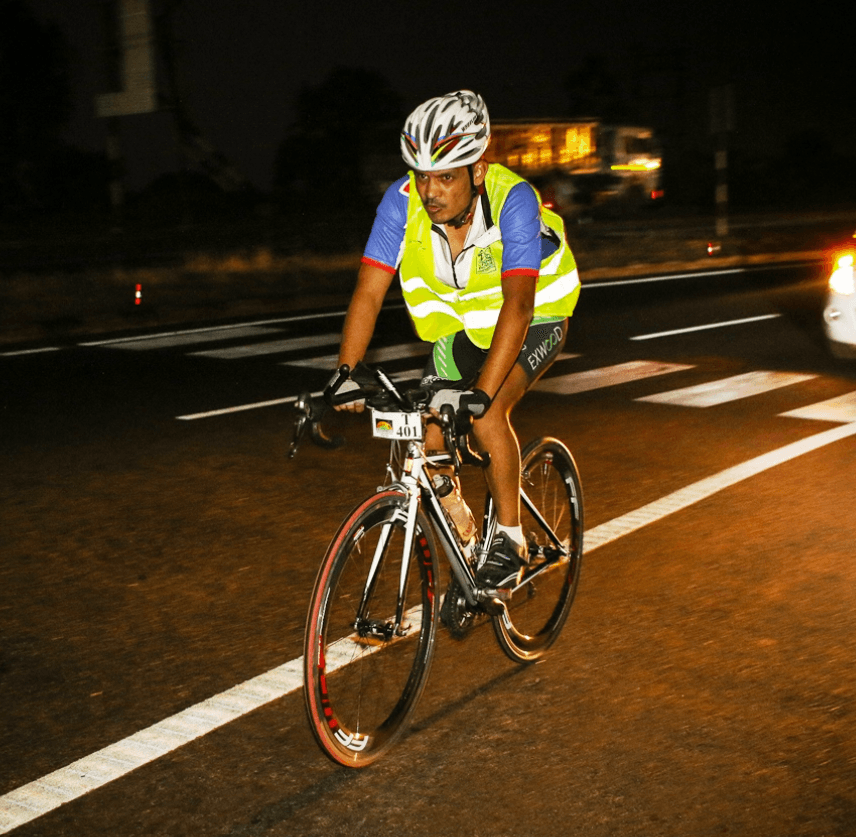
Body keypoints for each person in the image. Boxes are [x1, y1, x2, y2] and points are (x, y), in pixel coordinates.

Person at [334, 90, 580, 596]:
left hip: (536, 319)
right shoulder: (398, 205)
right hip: (466, 328)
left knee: (486, 415)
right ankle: (469, 542)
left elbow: (519, 306)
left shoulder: (514, 202)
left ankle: (510, 543)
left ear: (477, 170)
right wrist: (345, 373)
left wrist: (482, 393)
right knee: (427, 439)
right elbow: (368, 290)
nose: (430, 190)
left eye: (445, 175)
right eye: (422, 175)